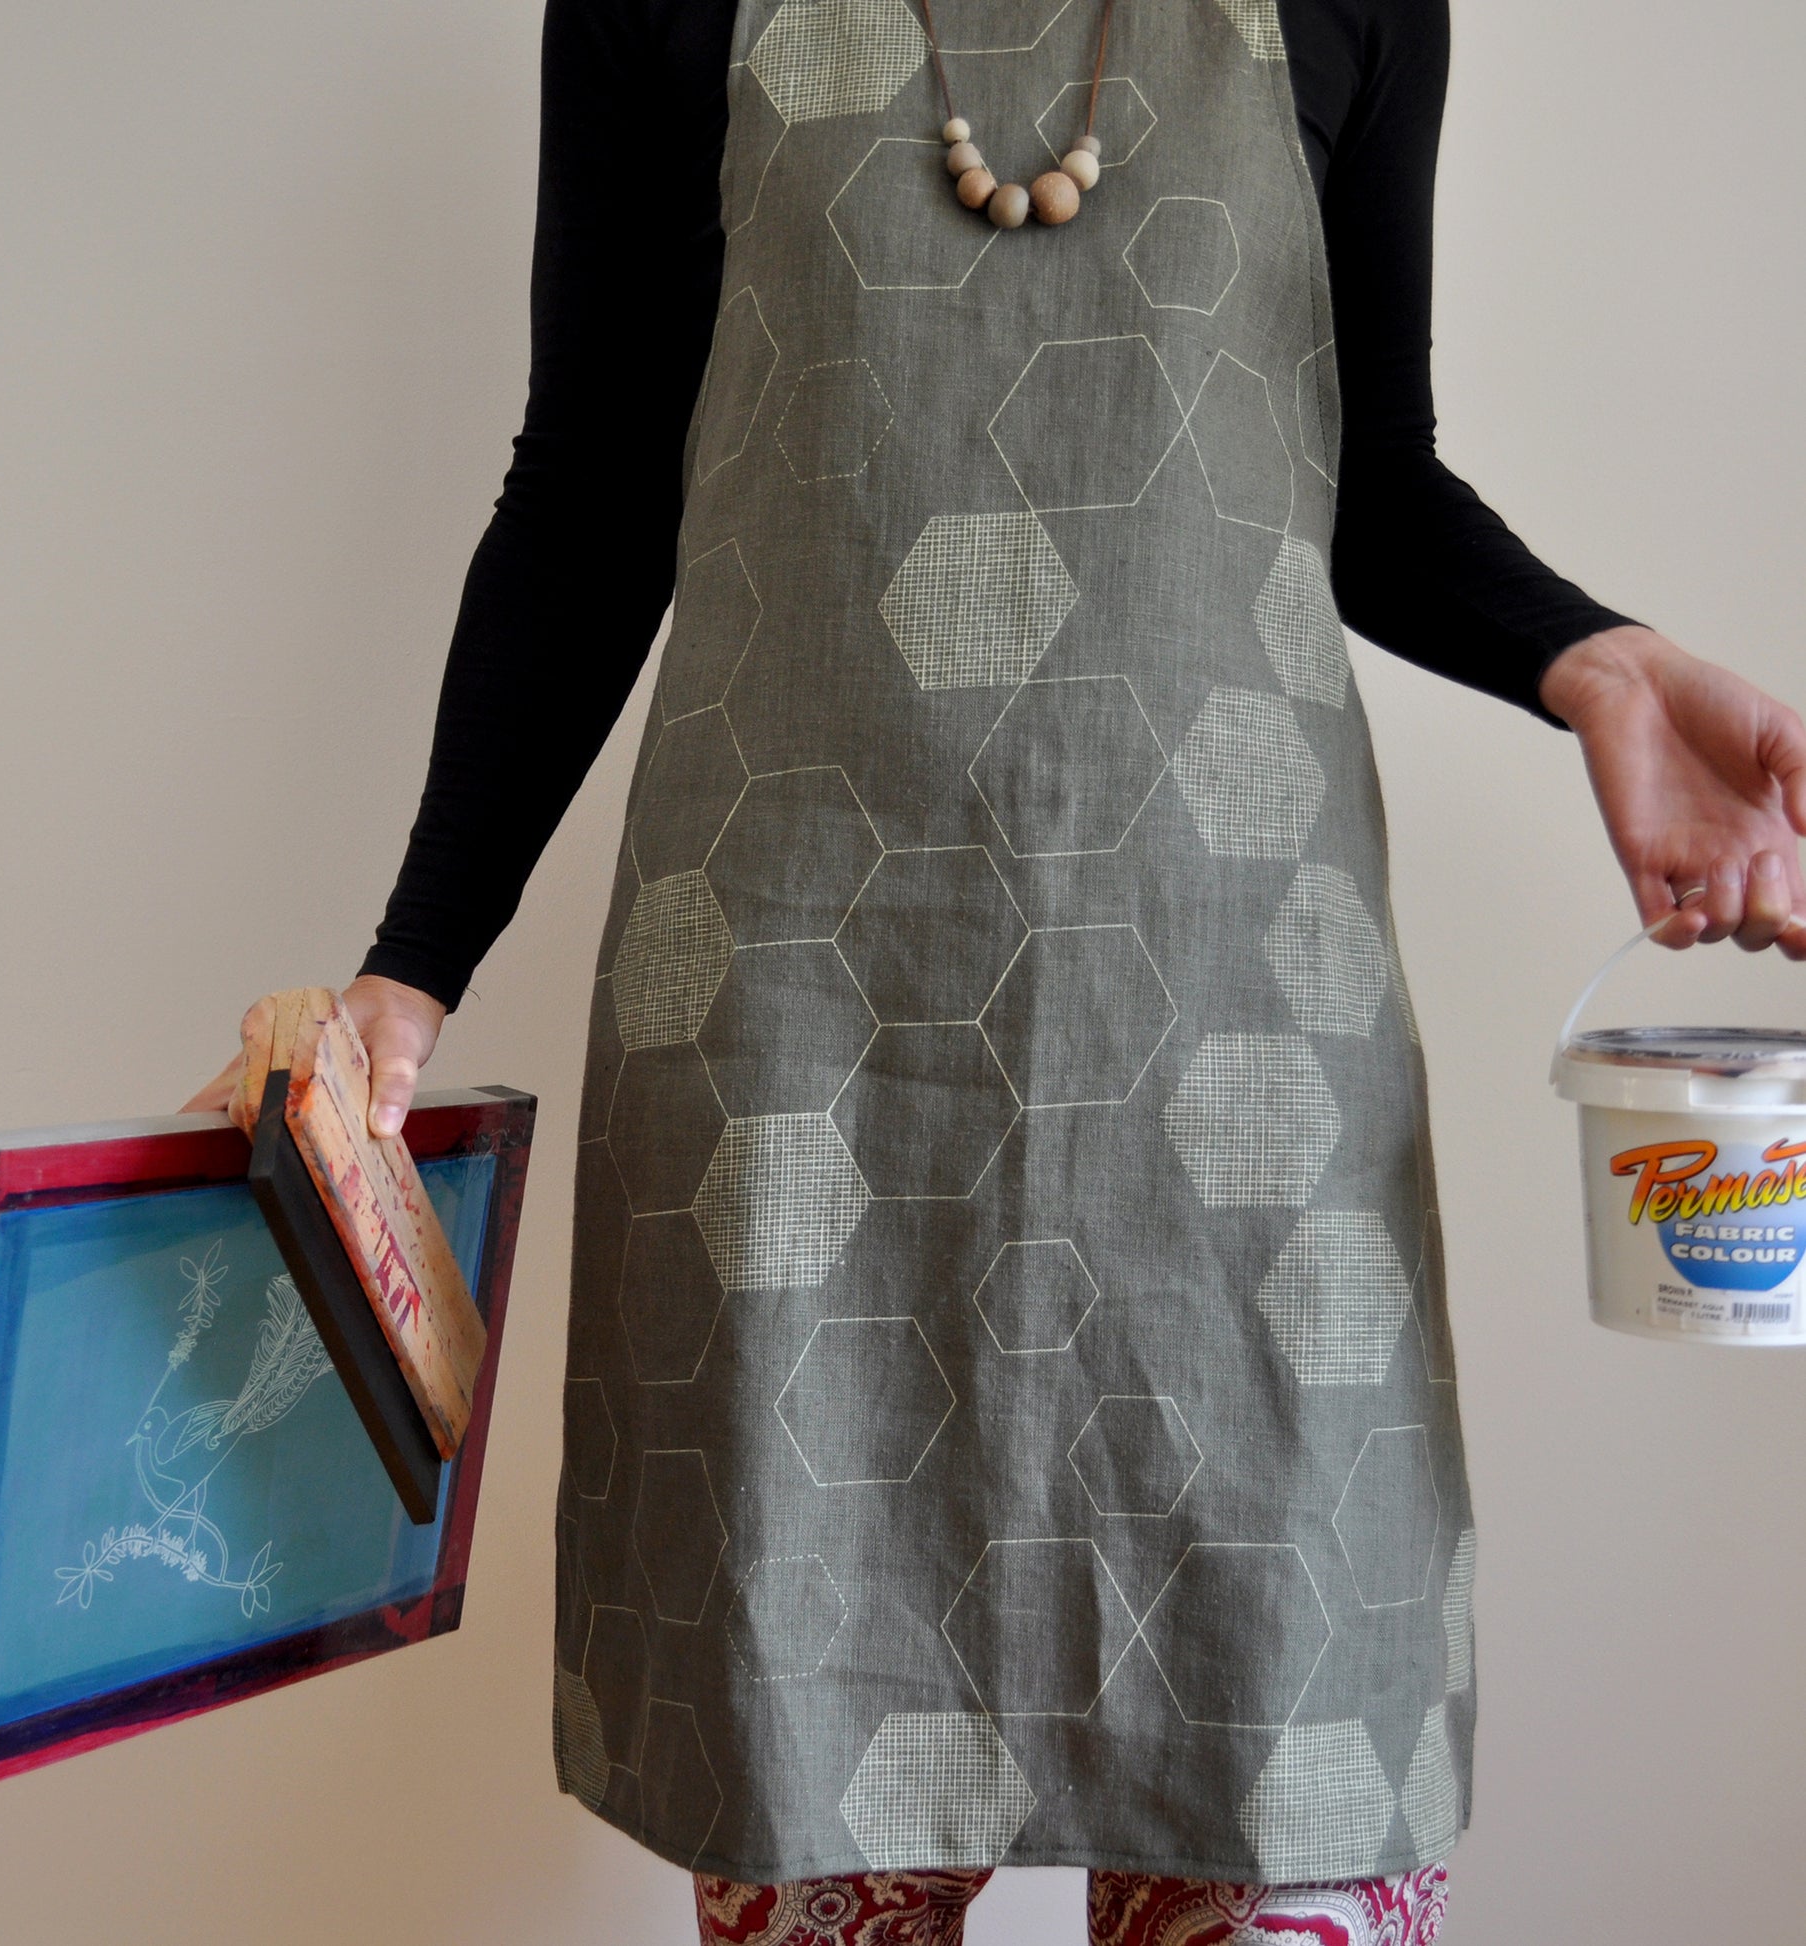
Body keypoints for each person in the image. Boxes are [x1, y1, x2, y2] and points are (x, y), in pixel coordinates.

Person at [189, 0, 1806, 1939]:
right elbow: (596, 483)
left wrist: (1595, 659)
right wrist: (410, 969)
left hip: (1247, 1080)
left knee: (1277, 1774)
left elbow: (1366, 475)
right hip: (802, 1060)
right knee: (821, 1814)